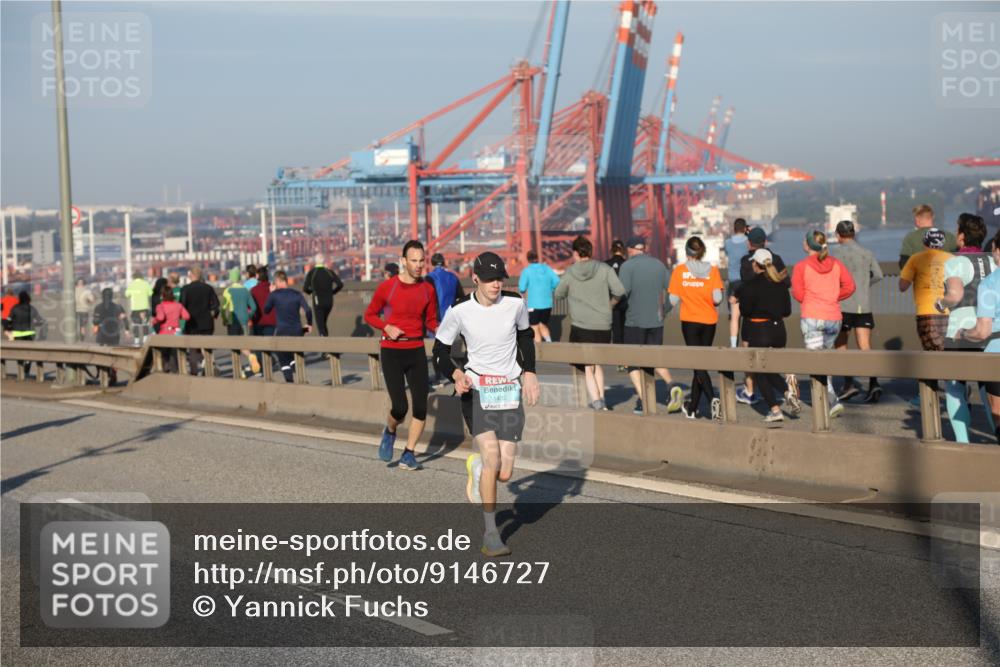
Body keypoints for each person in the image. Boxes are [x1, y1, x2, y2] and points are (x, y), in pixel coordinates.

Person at [433, 251, 540, 557]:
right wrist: (456, 374)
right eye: (490, 279)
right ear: (475, 279)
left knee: (504, 473)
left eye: (500, 278)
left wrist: (530, 372)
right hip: (477, 391)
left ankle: (477, 467)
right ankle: (491, 534)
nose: (496, 284)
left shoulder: (515, 303)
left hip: (508, 392)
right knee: (493, 458)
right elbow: (440, 351)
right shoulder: (459, 310)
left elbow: (525, 336)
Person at [364, 240, 439, 470]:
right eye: (414, 261)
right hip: (392, 351)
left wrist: (445, 330)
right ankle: (390, 430)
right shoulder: (388, 287)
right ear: (403, 261)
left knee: (420, 407)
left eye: (422, 261)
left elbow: (431, 321)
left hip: (416, 350)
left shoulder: (428, 289)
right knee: (400, 407)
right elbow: (370, 315)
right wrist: (386, 327)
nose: (419, 265)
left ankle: (409, 453)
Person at [938, 214, 996, 443]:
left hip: (960, 331)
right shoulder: (993, 260)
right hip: (990, 330)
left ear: (961, 236)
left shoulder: (955, 262)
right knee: (988, 390)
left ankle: (963, 443)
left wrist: (941, 303)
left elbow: (955, 295)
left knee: (955, 388)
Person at [553, 235, 625, 410]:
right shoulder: (604, 268)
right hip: (603, 324)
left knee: (587, 366)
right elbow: (619, 290)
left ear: (575, 253)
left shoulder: (570, 272)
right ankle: (602, 400)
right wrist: (609, 305)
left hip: (581, 325)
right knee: (597, 363)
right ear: (591, 252)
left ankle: (596, 401)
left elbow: (558, 294)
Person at [792, 230, 856, 419]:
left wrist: (813, 300)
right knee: (824, 360)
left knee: (815, 362)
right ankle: (827, 400)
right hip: (833, 317)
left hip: (812, 316)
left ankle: (831, 401)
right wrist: (833, 296)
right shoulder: (836, 263)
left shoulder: (801, 266)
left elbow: (798, 294)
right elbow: (850, 286)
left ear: (808, 245)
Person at [619, 235, 683, 415]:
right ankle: (671, 385)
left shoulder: (627, 266)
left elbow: (622, 293)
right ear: (644, 248)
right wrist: (664, 310)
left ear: (630, 250)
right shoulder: (659, 265)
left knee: (631, 363)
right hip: (656, 321)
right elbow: (675, 294)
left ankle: (644, 400)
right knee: (653, 359)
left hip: (634, 321)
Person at [669, 236, 724, 419]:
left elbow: (672, 300)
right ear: (702, 252)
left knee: (698, 364)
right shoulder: (713, 271)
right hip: (709, 322)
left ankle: (712, 399)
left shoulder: (679, 271)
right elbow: (717, 299)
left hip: (690, 322)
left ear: (686, 251)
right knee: (701, 364)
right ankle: (692, 408)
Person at [738, 249, 794, 425]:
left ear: (756, 264)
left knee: (760, 371)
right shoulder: (780, 284)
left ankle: (775, 409)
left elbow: (745, 311)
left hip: (759, 330)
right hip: (779, 331)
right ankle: (787, 392)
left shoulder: (750, 285)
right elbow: (787, 311)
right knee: (770, 370)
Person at [830, 220, 884, 403]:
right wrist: (863, 285)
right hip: (863, 305)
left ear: (838, 235)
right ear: (853, 233)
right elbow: (879, 275)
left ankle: (849, 384)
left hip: (842, 305)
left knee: (841, 346)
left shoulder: (835, 253)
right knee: (865, 346)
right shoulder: (866, 252)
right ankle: (874, 383)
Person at [957, 228, 1000, 445]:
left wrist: (964, 333)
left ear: (995, 249)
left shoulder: (990, 284)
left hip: (996, 354)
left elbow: (983, 331)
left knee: (998, 410)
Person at [900, 228, 952, 353]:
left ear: (924, 242)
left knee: (932, 353)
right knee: (947, 352)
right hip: (948, 313)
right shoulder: (952, 259)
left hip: (926, 313)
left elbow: (902, 286)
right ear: (942, 243)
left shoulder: (915, 259)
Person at [264, 270, 313, 383]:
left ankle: (290, 382)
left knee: (283, 357)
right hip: (297, 331)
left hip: (282, 331)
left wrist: (271, 293)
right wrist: (309, 324)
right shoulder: (297, 294)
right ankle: (300, 375)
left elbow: (266, 310)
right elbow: (308, 310)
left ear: (278, 281)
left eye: (274, 282)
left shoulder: (274, 295)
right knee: (296, 354)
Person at [427, 253, 464, 386]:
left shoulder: (429, 278)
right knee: (455, 348)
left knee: (437, 350)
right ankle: (460, 374)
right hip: (453, 318)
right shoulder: (453, 277)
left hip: (437, 319)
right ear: (444, 263)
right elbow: (461, 297)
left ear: (431, 263)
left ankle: (439, 377)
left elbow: (427, 299)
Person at [179, 266, 220, 376]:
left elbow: (181, 306)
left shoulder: (185, 289)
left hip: (192, 323)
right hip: (207, 323)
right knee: (206, 347)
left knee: (193, 349)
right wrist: (214, 315)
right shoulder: (208, 288)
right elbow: (216, 305)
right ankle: (210, 367)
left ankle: (194, 372)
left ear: (191, 275)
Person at [517, 249, 560, 343]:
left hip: (534, 305)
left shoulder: (526, 271)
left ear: (528, 259)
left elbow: (522, 288)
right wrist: (551, 288)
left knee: (535, 327)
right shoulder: (547, 269)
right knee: (543, 325)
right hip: (547, 304)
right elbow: (557, 280)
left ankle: (538, 350)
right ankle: (550, 345)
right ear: (537, 258)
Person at [222, 274, 260, 377]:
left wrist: (225, 319)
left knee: (235, 347)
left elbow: (223, 308)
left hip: (233, 321)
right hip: (245, 321)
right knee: (244, 344)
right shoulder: (245, 291)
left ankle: (240, 372)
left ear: (231, 278)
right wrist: (248, 316)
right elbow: (254, 307)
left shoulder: (227, 291)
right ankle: (250, 355)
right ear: (239, 278)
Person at [899, 204, 958, 269]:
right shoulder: (949, 236)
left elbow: (903, 263)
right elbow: (958, 259)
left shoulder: (910, 238)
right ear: (932, 217)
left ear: (917, 219)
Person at [3, 291, 46, 377]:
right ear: (28, 298)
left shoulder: (15, 308)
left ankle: (21, 371)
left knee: (19, 352)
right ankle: (27, 368)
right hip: (29, 333)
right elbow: (41, 321)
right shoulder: (32, 308)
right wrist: (33, 324)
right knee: (29, 352)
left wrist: (8, 328)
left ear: (19, 298)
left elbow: (8, 320)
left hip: (17, 333)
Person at [303, 253, 344, 338]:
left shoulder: (312, 273)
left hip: (318, 301)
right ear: (323, 261)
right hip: (329, 302)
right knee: (323, 324)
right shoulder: (329, 272)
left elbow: (305, 288)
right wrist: (333, 292)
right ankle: (326, 341)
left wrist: (311, 292)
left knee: (321, 325)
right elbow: (340, 284)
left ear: (315, 261)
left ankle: (324, 343)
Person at [152, 284, 190, 372]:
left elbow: (160, 317)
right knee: (175, 355)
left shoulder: (160, 306)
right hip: (176, 333)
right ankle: (176, 372)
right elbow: (187, 316)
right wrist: (177, 316)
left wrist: (154, 320)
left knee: (165, 356)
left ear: (162, 295)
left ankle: (165, 371)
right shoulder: (178, 305)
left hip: (164, 333)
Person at [723, 218, 749, 348]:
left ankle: (733, 345)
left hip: (733, 282)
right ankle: (747, 344)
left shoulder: (728, 243)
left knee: (734, 316)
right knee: (748, 316)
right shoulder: (748, 242)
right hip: (746, 282)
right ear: (745, 228)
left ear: (734, 228)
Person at [605, 240, 629, 355]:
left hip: (609, 303)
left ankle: (613, 356)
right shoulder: (628, 264)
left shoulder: (605, 265)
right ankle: (622, 358)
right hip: (625, 303)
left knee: (610, 331)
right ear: (623, 250)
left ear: (611, 250)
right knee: (623, 332)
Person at [125, 271, 154, 344]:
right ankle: (145, 339)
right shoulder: (146, 284)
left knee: (135, 325)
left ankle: (136, 340)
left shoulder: (131, 284)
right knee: (145, 324)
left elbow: (127, 294)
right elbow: (151, 293)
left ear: (133, 277)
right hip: (145, 307)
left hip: (135, 308)